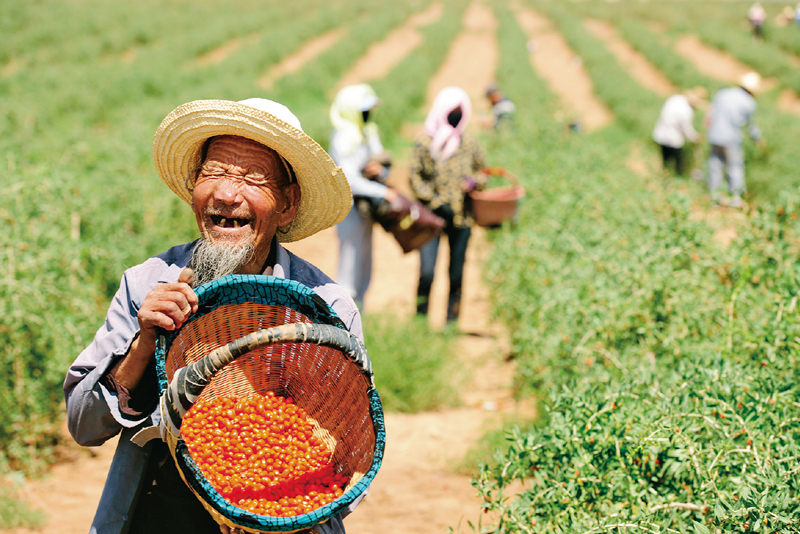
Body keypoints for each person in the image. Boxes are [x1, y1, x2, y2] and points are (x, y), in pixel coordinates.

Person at [64, 98, 365, 534]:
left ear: (287, 204)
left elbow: (348, 461)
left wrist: (275, 511)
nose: (227, 194)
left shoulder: (325, 309)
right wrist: (143, 346)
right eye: (215, 174)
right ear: (193, 188)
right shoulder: (148, 283)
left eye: (251, 179)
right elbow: (83, 424)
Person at [410, 87, 486, 325]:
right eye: (451, 111)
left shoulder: (468, 143)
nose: (455, 116)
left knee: (456, 273)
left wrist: (474, 182)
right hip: (432, 218)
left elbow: (483, 172)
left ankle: (452, 321)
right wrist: (435, 202)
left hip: (461, 218)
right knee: (427, 271)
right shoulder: (425, 142)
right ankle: (420, 319)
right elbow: (415, 177)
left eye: (459, 112)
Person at [328, 84, 403, 309]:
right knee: (349, 263)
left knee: (365, 261)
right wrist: (383, 192)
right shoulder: (343, 138)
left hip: (366, 207)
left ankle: (358, 317)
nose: (367, 113)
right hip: (349, 208)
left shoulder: (367, 131)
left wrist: (380, 171)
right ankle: (342, 317)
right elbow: (349, 180)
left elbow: (381, 163)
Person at [706, 73, 766, 208]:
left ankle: (714, 198)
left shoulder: (722, 94)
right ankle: (736, 199)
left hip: (715, 136)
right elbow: (751, 127)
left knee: (715, 165)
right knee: (735, 168)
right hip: (731, 138)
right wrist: (757, 139)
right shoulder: (748, 102)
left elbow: (711, 113)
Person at [651, 87, 706, 177]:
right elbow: (686, 130)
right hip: (674, 140)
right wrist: (695, 137)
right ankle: (676, 181)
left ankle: (664, 180)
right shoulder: (687, 111)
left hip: (661, 135)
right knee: (678, 165)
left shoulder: (674, 99)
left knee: (665, 162)